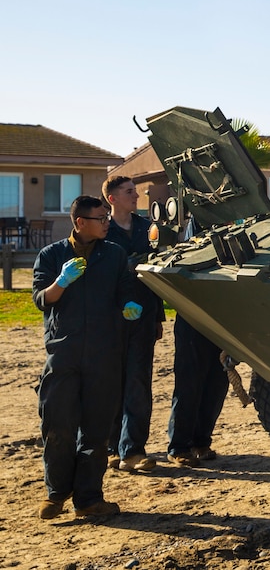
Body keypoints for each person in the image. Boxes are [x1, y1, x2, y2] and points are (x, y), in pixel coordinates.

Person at [32, 196, 143, 520]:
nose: (107, 222)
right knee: (58, 426)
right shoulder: (52, 255)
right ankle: (56, 493)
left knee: (96, 431)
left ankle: (89, 499)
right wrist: (60, 282)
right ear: (80, 222)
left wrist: (129, 305)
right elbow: (41, 299)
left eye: (107, 216)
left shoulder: (114, 254)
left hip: (104, 353)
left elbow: (127, 289)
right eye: (100, 217)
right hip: (64, 353)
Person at [103, 176, 165, 473]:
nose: (136, 196)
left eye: (136, 191)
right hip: (112, 320)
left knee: (139, 383)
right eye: (129, 192)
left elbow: (156, 273)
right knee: (112, 383)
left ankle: (133, 450)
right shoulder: (103, 229)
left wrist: (157, 317)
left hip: (143, 317)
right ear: (112, 199)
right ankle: (112, 447)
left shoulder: (146, 228)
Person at [166, 315, 229, 467]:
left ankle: (201, 442)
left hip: (224, 323)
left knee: (216, 386)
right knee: (189, 385)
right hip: (193, 319)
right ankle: (178, 447)